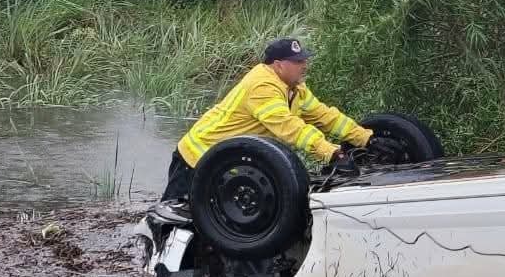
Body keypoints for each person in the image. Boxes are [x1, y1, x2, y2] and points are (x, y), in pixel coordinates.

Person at [160, 37, 404, 204]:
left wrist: (366, 138)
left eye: (305, 59)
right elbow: (289, 128)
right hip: (195, 159)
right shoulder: (262, 86)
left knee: (217, 219)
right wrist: (332, 154)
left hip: (225, 160)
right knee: (173, 222)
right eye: (298, 62)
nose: (304, 65)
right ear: (277, 65)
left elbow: (324, 116)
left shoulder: (294, 88)